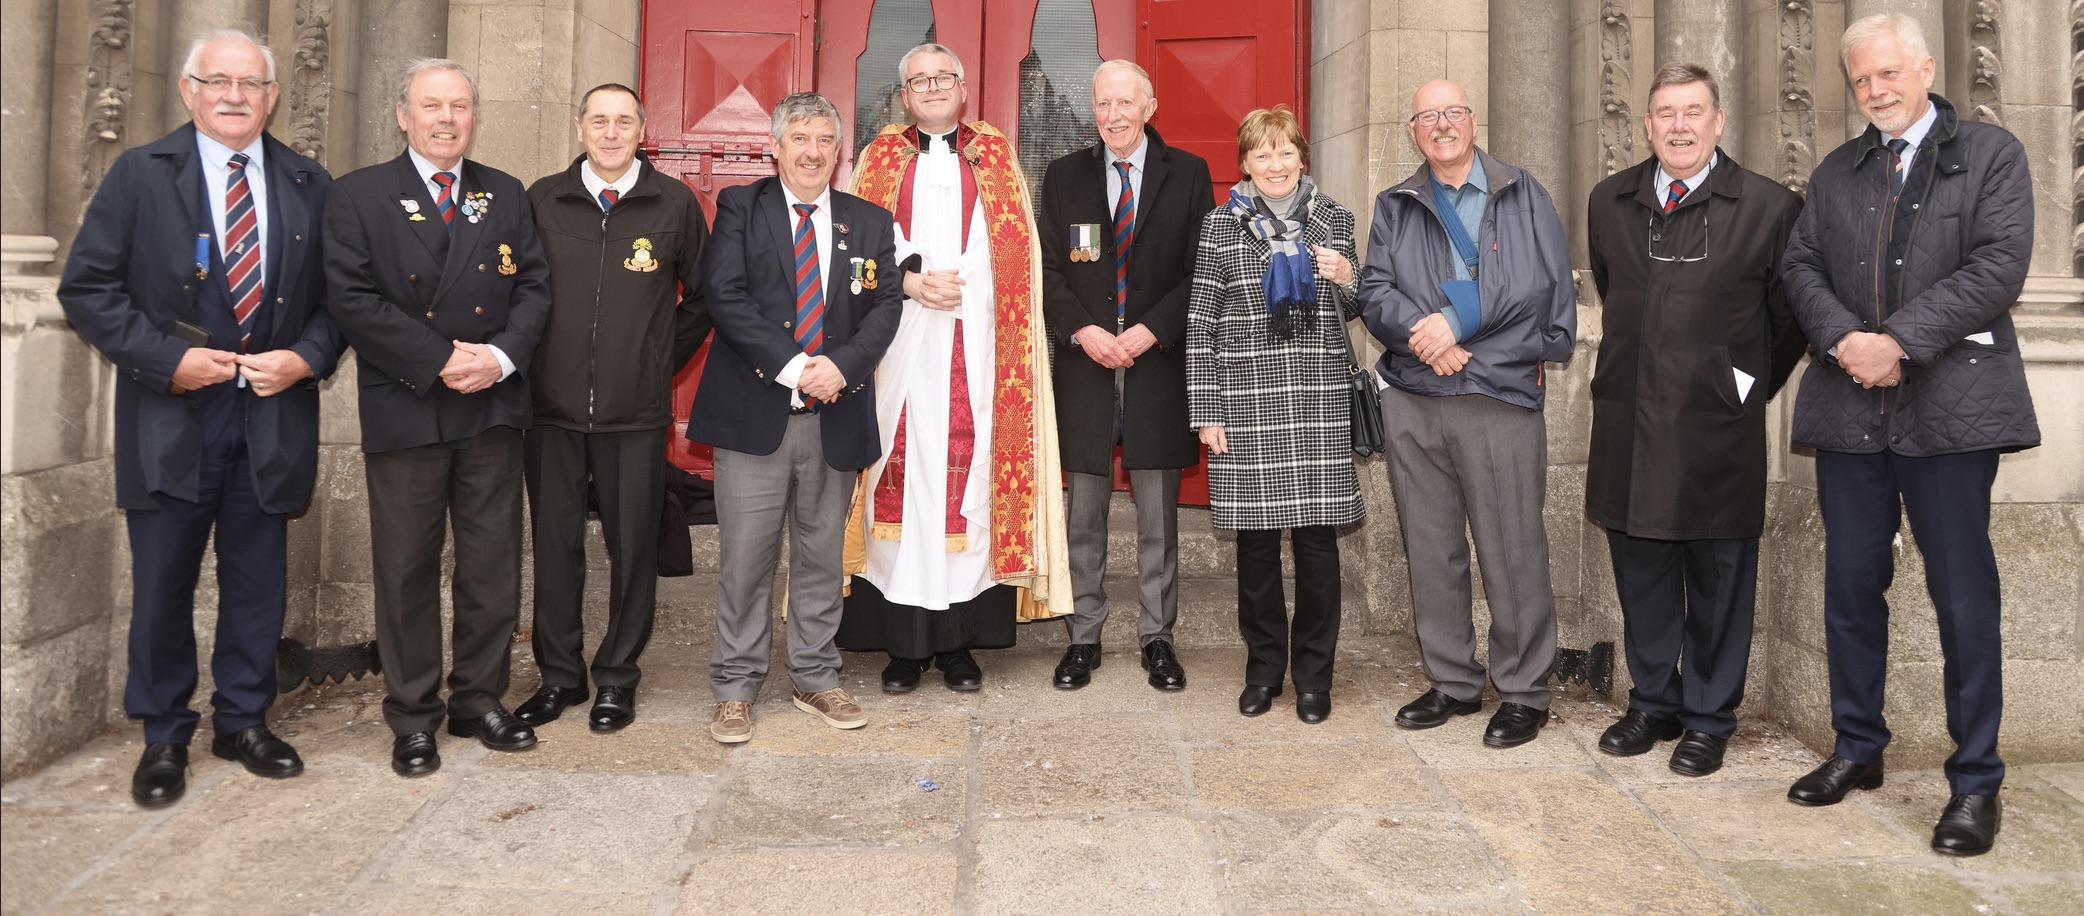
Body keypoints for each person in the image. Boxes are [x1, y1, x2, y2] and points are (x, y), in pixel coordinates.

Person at [58, 30, 343, 808]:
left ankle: (243, 720)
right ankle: (163, 734)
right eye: (217, 81)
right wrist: (163, 359)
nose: (234, 96)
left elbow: (336, 305)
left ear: (273, 96)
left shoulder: (309, 182)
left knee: (257, 582)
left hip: (270, 417)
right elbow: (87, 291)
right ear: (188, 91)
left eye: (251, 84)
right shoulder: (139, 175)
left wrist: (306, 358)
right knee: (162, 585)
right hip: (170, 417)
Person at [1780, 13, 2038, 857]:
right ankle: (1858, 747)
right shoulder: (1836, 170)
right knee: (1851, 588)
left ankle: (1975, 782)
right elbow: (1801, 267)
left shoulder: (1992, 155)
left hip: (1951, 409)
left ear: (1925, 68)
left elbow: (1999, 263)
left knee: (1964, 597)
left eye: (1890, 72)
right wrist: (1848, 341)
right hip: (1852, 411)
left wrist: (1901, 341)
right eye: (1861, 79)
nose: (1877, 89)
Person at [325, 58, 552, 776]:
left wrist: (501, 357)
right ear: (404, 115)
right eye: (432, 105)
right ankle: (414, 715)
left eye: (459, 105)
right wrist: (439, 359)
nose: (447, 118)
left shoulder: (505, 193)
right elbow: (352, 299)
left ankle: (478, 698)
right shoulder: (359, 196)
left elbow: (538, 289)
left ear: (473, 116)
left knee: (490, 566)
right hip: (409, 401)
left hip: (491, 404)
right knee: (407, 568)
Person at [1585, 63, 1807, 777]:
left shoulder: (1769, 207)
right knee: (1642, 565)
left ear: (1717, 122)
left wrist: (1738, 384)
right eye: (1665, 113)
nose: (1678, 126)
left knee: (1718, 578)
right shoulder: (1608, 202)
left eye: (1692, 112)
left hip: (1717, 427)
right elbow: (1617, 291)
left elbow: (1789, 320)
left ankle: (1709, 716)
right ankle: (1655, 700)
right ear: (1645, 125)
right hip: (1629, 415)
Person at [837, 43, 1072, 694]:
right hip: (899, 342)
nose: (933, 88)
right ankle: (904, 647)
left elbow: (1015, 250)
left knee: (968, 480)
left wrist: (967, 283)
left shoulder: (994, 154)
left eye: (944, 77)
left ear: (964, 88)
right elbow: (859, 244)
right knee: (899, 476)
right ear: (905, 94)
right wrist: (910, 278)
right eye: (920, 80)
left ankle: (960, 646)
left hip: (977, 341)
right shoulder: (879, 157)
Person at [1358, 79, 1576, 748]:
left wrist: (1454, 332)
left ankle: (1524, 690)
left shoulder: (1523, 192)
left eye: (1453, 112)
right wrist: (1425, 338)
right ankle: (1452, 680)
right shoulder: (1395, 204)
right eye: (1428, 116)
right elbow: (1374, 290)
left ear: (1473, 121)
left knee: (1512, 546)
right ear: (1413, 130)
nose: (1442, 125)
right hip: (1418, 400)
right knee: (1431, 548)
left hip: (1497, 399)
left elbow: (1537, 288)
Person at [689, 92, 903, 743]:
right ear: (775, 147)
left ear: (837, 152)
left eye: (823, 140)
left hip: (835, 417)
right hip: (756, 416)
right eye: (799, 139)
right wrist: (794, 365)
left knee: (818, 560)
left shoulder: (868, 221)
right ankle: (734, 686)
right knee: (746, 562)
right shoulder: (740, 208)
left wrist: (841, 367)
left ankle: (815, 676)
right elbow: (722, 295)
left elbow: (887, 306)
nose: (811, 151)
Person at [516, 83, 711, 732]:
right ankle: (561, 677)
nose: (609, 132)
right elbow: (514, 294)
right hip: (551, 412)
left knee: (633, 550)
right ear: (579, 129)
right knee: (555, 547)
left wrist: (656, 360)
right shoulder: (541, 200)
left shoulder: (674, 203)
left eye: (622, 122)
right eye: (598, 121)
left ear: (641, 131)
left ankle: (617, 679)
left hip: (635, 413)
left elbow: (705, 298)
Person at [1039, 60, 1213, 691]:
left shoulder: (1188, 174)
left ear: (1150, 106)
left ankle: (1156, 638)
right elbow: (1048, 271)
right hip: (1086, 367)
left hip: (1157, 366)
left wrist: (1150, 330)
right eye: (1102, 103)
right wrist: (1086, 332)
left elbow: (1202, 271)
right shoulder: (1063, 176)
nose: (1112, 115)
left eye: (1124, 103)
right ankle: (1083, 636)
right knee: (1083, 514)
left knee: (1158, 519)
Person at [1186, 106, 1363, 723]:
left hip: (1316, 407)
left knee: (1318, 552)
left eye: (1286, 152)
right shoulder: (1219, 227)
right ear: (1244, 164)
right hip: (1246, 408)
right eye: (1263, 154)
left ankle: (1314, 677)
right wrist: (1206, 412)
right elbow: (1201, 322)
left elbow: (1358, 302)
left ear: (1302, 158)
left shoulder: (1333, 218)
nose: (1276, 164)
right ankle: (1264, 670)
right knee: (1256, 556)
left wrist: (1346, 275)